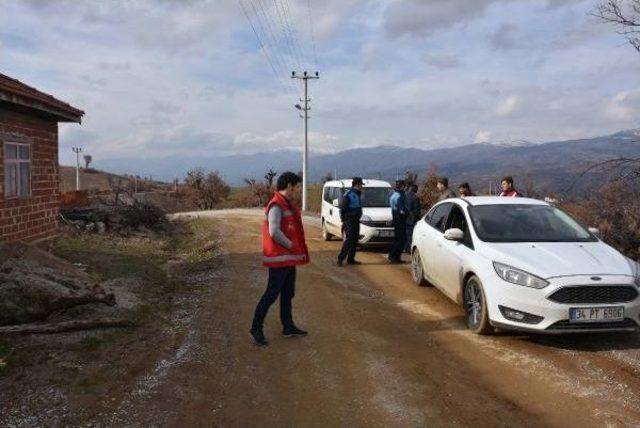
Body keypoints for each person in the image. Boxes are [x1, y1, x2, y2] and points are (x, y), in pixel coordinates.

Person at [250, 172, 309, 347]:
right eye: (297, 187)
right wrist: (291, 245)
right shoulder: (276, 205)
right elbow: (274, 231)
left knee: (288, 293)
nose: (299, 190)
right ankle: (256, 328)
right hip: (279, 259)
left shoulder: (287, 204)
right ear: (289, 186)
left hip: (288, 260)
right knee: (271, 294)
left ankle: (288, 326)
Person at [337, 177, 364, 267]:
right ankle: (340, 258)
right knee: (349, 240)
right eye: (361, 185)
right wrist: (344, 222)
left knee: (355, 240)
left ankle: (351, 259)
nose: (362, 187)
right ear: (357, 185)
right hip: (349, 221)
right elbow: (343, 209)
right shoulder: (348, 194)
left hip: (356, 220)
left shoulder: (357, 194)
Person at [388, 180, 407, 263]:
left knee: (397, 239)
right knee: (401, 240)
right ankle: (394, 257)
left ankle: (394, 257)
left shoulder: (393, 195)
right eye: (404, 186)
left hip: (395, 219)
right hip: (400, 220)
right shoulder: (399, 196)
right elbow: (402, 210)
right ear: (402, 186)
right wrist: (407, 213)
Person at [404, 183, 422, 253]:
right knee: (411, 234)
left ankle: (406, 248)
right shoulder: (416, 198)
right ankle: (409, 249)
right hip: (413, 219)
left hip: (406, 218)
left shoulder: (405, 196)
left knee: (406, 234)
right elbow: (417, 211)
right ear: (416, 190)